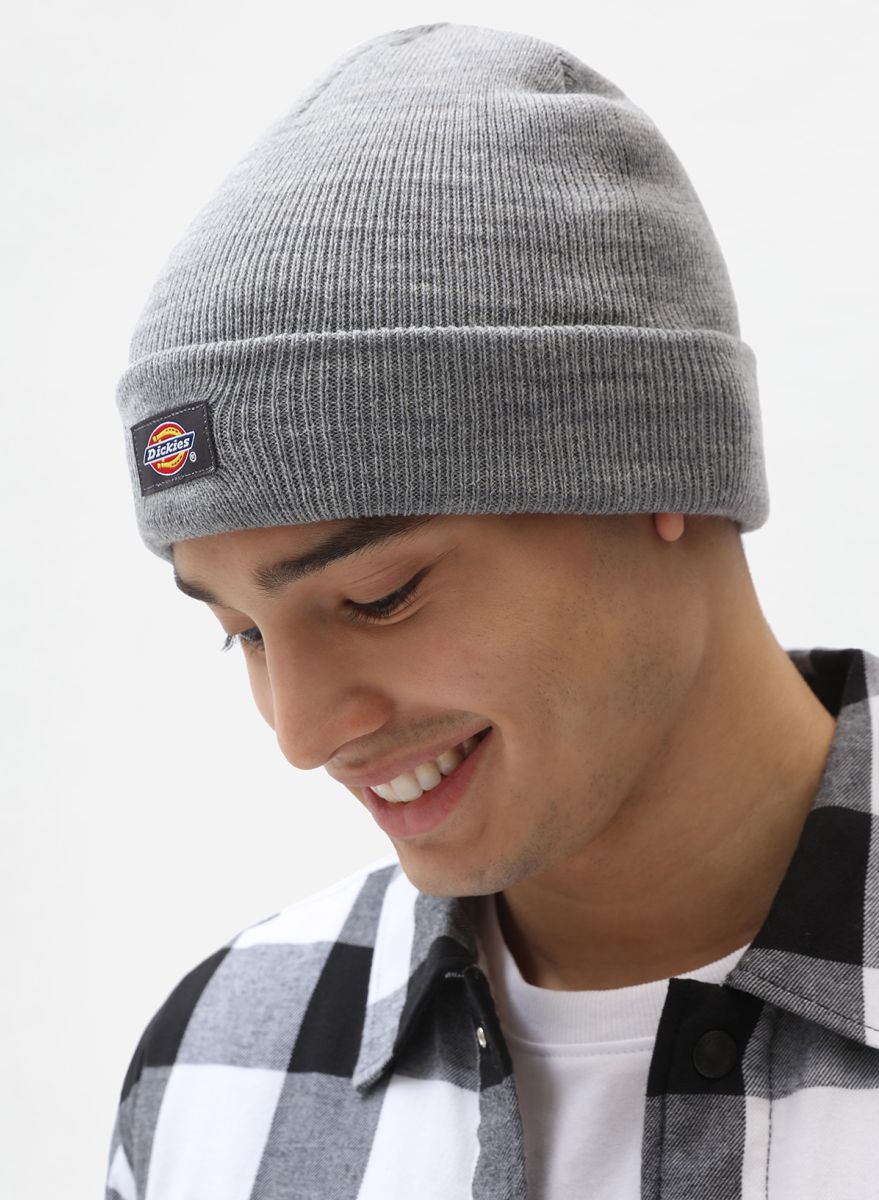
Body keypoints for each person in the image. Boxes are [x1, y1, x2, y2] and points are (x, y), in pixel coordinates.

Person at [105, 22, 879, 1200]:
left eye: (378, 596)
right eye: (242, 635)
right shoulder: (214, 1070)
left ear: (655, 463)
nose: (302, 735)